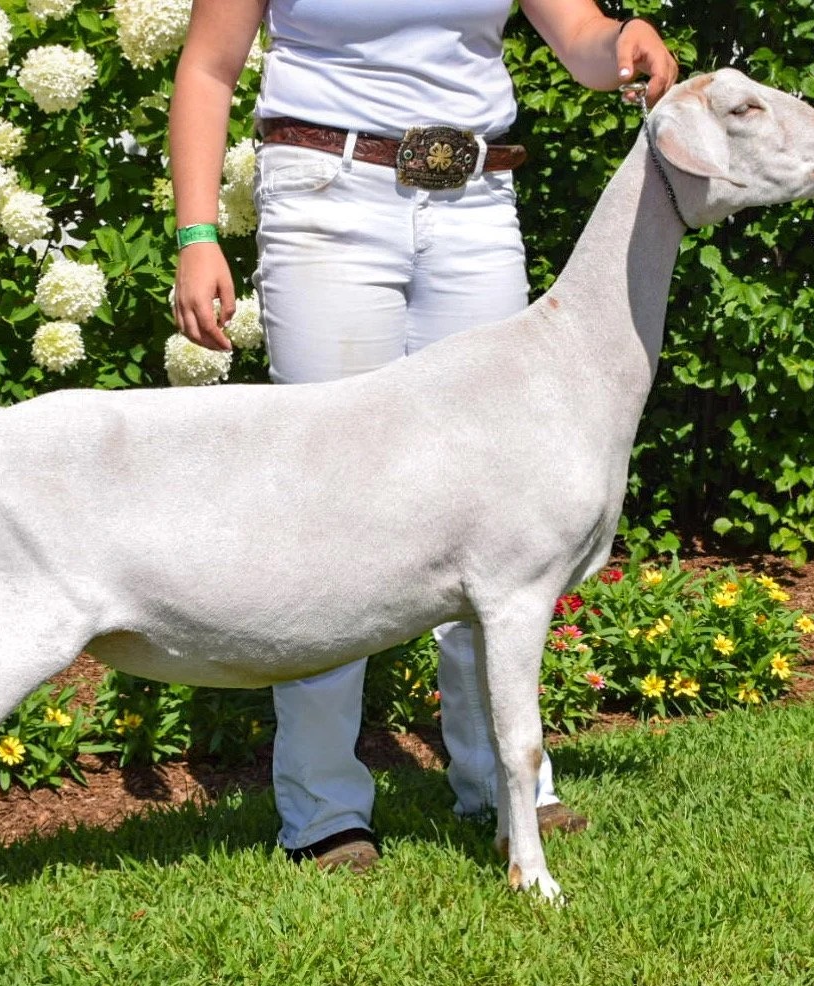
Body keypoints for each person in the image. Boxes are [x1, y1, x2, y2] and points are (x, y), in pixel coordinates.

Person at [169, 1, 677, 871]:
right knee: (330, 510)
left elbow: (580, 39)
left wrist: (620, 44)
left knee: (496, 509)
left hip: (476, 208)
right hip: (325, 198)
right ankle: (324, 805)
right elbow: (208, 69)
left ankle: (504, 782)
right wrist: (197, 232)